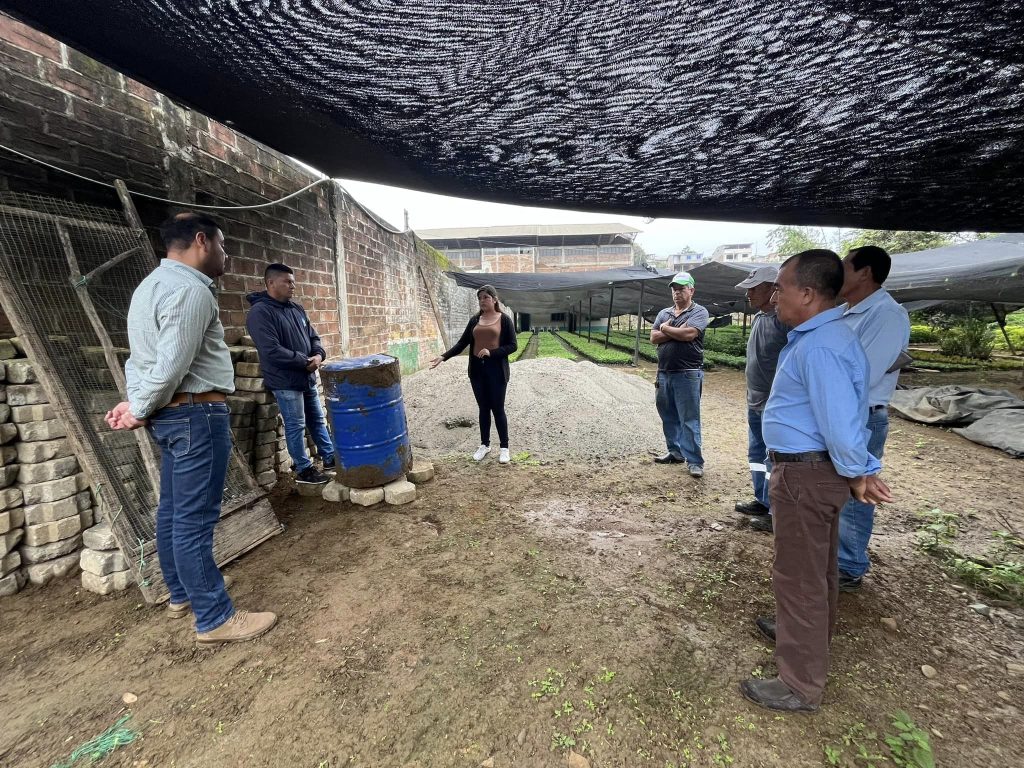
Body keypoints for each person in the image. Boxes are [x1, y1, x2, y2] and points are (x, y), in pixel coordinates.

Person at [106, 212, 277, 646]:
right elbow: (172, 363)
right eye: (222, 245)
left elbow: (141, 360)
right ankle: (215, 617)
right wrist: (140, 407)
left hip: (173, 415)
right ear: (201, 241)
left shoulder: (149, 288)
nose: (226, 254)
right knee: (194, 521)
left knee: (173, 511)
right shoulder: (190, 290)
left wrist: (136, 402)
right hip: (195, 415)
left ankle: (182, 593)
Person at [740, 249, 893, 713]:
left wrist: (860, 470)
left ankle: (799, 683)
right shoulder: (826, 336)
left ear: (806, 294)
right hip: (812, 469)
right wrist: (857, 467)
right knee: (818, 567)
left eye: (781, 289)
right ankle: (805, 635)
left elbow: (841, 419)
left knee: (799, 576)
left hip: (807, 472)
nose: (773, 299)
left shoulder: (822, 345)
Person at [836, 246, 910, 591]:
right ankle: (834, 556)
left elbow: (860, 374)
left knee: (857, 487)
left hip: (862, 416)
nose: (838, 274)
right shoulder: (845, 312)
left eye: (844, 267)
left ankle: (848, 564)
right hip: (840, 412)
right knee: (836, 484)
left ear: (864, 273)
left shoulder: (885, 314)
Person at [246, 263, 335, 485]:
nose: (292, 285)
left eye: (293, 281)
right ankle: (304, 470)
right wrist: (303, 361)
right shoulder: (260, 313)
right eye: (287, 281)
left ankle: (330, 457)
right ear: (270, 283)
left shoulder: (297, 309)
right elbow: (271, 350)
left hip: (306, 376)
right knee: (295, 424)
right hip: (285, 381)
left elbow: (313, 337)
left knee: (316, 419)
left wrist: (318, 355)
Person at [430, 285, 518, 463]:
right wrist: (443, 356)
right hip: (477, 371)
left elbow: (512, 345)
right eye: (479, 298)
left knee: (498, 409)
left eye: (485, 297)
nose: (482, 301)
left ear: (494, 299)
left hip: (497, 371)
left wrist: (492, 353)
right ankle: (485, 445)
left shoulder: (505, 320)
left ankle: (504, 448)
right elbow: (462, 343)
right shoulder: (474, 320)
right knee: (483, 409)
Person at [733, 266, 791, 532]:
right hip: (754, 399)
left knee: (774, 457)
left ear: (772, 288)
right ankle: (761, 498)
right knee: (756, 452)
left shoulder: (784, 320)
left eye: (754, 288)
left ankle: (776, 509)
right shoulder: (759, 317)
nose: (748, 293)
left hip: (773, 402)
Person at [650, 272, 710, 477]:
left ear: (691, 290)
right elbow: (653, 337)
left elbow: (689, 334)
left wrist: (666, 329)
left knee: (689, 418)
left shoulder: (699, 311)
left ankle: (695, 461)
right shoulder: (664, 313)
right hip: (664, 372)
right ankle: (675, 452)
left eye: (681, 289)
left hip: (688, 373)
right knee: (668, 415)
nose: (677, 293)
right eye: (674, 289)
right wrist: (673, 329)